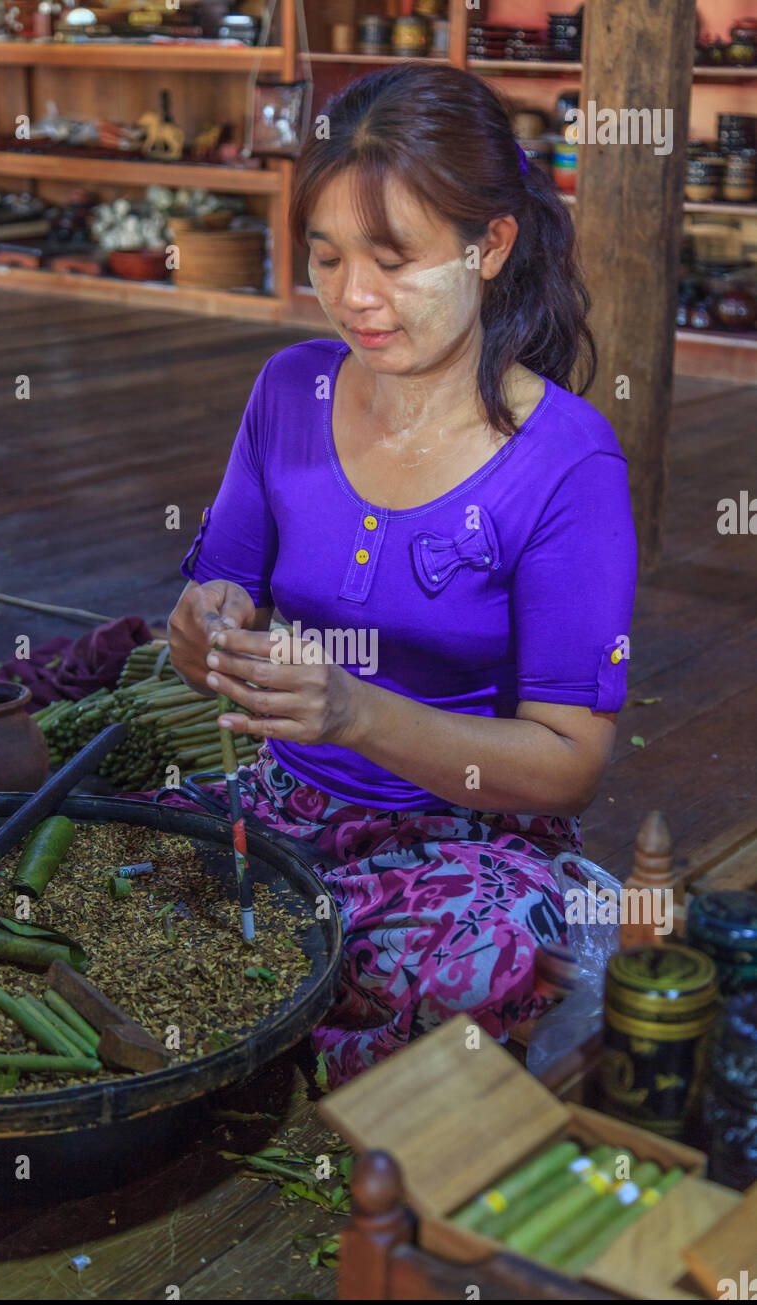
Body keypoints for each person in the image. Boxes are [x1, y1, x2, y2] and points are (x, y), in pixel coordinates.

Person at [163, 63, 637, 1088]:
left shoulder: (565, 461)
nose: (353, 298)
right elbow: (204, 610)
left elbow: (567, 762)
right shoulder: (288, 389)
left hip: (455, 836)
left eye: (394, 259)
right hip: (282, 803)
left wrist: (355, 714)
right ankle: (297, 1000)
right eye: (327, 258)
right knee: (116, 878)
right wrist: (207, 626)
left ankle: (293, 1002)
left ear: (489, 246)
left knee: (484, 950)